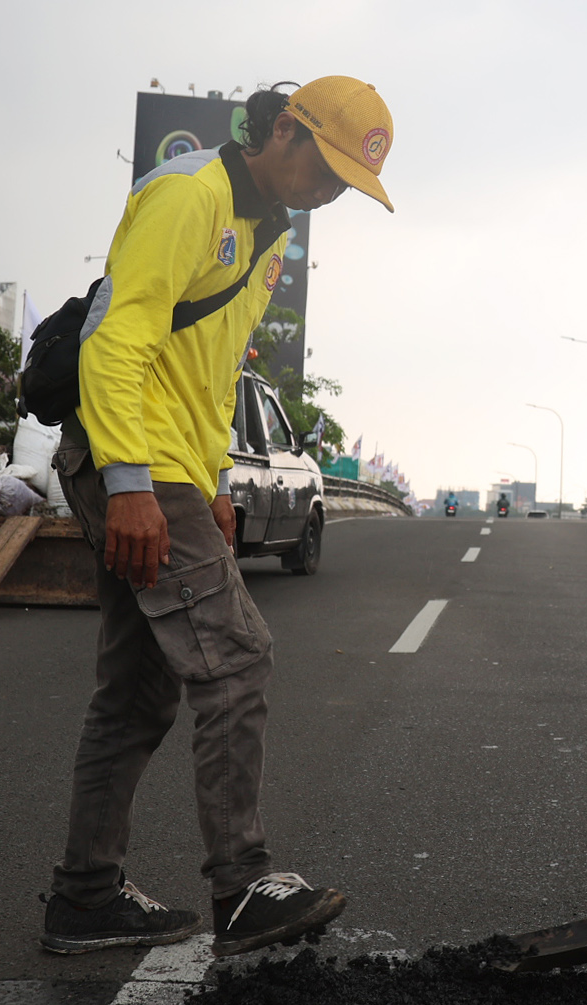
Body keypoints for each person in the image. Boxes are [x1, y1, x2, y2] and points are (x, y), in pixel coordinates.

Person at [42, 77, 396, 957]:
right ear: (283, 130)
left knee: (137, 691)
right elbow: (119, 341)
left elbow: (204, 372)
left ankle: (85, 897)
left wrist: (210, 487)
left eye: (350, 184)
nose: (334, 193)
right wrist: (132, 485)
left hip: (171, 468)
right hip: (131, 460)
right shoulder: (189, 194)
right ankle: (241, 885)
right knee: (237, 658)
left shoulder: (268, 233)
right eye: (331, 168)